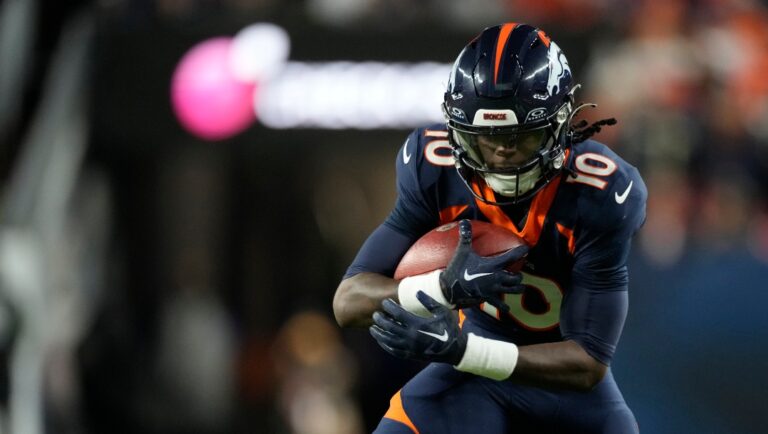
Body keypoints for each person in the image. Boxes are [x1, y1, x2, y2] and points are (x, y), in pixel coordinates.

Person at [333, 22, 646, 434]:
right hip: (467, 382)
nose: (503, 154)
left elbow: (587, 362)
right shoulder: (434, 169)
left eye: (523, 136)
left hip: (563, 394)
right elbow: (348, 301)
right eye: (486, 138)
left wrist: (464, 350)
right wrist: (441, 289)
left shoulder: (600, 193)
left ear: (561, 124)